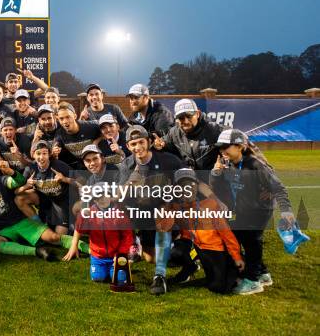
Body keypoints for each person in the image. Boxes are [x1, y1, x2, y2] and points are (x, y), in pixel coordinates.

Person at [211, 129, 294, 295]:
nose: (222, 151)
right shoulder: (228, 163)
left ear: (240, 146)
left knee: (251, 241)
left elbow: (278, 187)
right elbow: (216, 187)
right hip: (242, 209)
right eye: (220, 147)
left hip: (259, 211)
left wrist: (286, 210)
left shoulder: (255, 165)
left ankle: (253, 281)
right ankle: (263, 274)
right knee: (244, 239)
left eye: (226, 146)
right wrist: (216, 173)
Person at [0, 160, 88, 260]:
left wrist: (10, 171)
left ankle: (91, 249)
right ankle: (37, 251)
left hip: (21, 222)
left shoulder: (1, 180)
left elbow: (19, 181)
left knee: (54, 237)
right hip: (3, 229)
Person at [119, 125, 185, 295]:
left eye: (141, 142)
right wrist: (130, 183)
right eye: (133, 144)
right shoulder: (126, 166)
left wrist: (173, 205)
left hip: (167, 211)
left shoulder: (168, 160)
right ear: (128, 146)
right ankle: (140, 242)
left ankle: (160, 276)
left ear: (149, 142)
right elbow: (120, 197)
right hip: (143, 213)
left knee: (163, 219)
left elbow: (187, 184)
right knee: (150, 258)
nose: (138, 147)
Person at [166, 169, 245, 294]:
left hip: (216, 249)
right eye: (182, 186)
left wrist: (236, 256)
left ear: (197, 187)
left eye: (191, 185)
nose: (187, 189)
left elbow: (226, 234)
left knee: (218, 288)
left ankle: (237, 269)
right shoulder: (177, 208)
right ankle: (190, 268)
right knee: (176, 252)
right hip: (198, 248)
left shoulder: (210, 205)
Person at [63, 188, 133, 283]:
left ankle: (119, 266)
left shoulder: (120, 213)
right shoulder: (90, 212)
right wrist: (84, 214)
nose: (102, 199)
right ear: (94, 200)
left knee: (119, 279)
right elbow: (81, 229)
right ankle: (106, 269)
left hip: (116, 254)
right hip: (98, 256)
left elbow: (127, 236)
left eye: (104, 196)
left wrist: (121, 253)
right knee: (98, 278)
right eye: (98, 198)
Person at [153, 99, 224, 181]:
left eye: (189, 116)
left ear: (197, 114)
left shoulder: (214, 130)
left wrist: (224, 161)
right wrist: (158, 145)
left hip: (213, 181)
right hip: (190, 182)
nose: (186, 121)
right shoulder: (174, 132)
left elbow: (237, 140)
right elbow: (163, 142)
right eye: (181, 118)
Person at [17, 140, 76, 234]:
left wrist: (65, 179)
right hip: (45, 202)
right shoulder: (30, 168)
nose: (41, 157)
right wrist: (26, 186)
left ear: (49, 154)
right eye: (38, 153)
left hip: (62, 202)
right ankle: (38, 224)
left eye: (44, 153)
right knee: (19, 198)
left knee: (59, 234)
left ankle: (72, 224)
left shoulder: (59, 165)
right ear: (33, 155)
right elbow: (17, 191)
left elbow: (81, 181)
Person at [53, 102, 102, 169]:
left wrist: (97, 140)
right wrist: (55, 152)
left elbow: (111, 128)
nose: (65, 121)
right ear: (58, 119)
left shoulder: (90, 126)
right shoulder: (59, 134)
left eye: (68, 117)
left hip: (99, 163)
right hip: (81, 166)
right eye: (61, 119)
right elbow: (55, 149)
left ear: (75, 116)